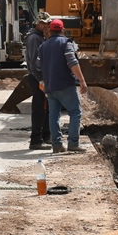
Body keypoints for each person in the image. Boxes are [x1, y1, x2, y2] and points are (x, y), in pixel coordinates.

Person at [37, 18, 89, 154]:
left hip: (49, 86)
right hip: (65, 85)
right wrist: (82, 80)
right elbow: (72, 62)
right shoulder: (66, 43)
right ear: (63, 30)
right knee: (75, 113)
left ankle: (57, 145)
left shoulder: (43, 46)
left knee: (53, 116)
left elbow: (37, 65)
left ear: (50, 30)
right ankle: (73, 143)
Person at [24, 10, 52, 150]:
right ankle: (36, 140)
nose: (48, 26)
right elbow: (35, 62)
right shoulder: (34, 39)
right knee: (39, 109)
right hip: (37, 78)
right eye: (46, 24)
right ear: (40, 24)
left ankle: (46, 136)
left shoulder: (41, 36)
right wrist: (40, 80)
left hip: (41, 77)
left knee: (46, 108)